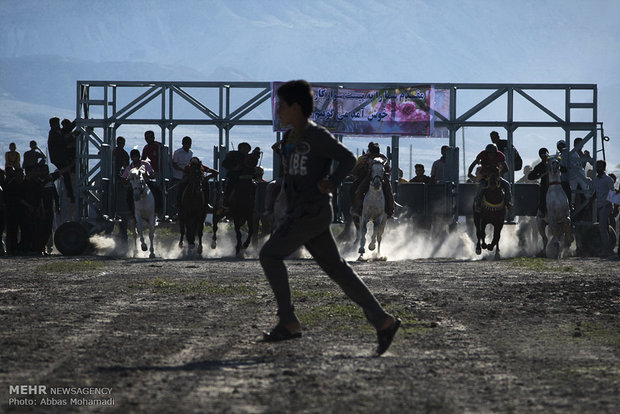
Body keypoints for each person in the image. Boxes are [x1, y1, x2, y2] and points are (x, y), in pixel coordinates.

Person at [259, 80, 400, 355]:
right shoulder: (290, 138)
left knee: (269, 255)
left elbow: (348, 159)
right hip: (300, 212)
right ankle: (383, 321)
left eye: (282, 105)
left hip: (312, 212)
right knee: (337, 269)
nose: (278, 109)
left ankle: (288, 320)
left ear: (296, 107)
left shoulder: (317, 136)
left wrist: (332, 182)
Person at [350, 142, 395, 218]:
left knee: (389, 191)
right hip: (367, 176)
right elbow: (358, 168)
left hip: (381, 177)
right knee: (357, 189)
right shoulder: (365, 158)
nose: (374, 156)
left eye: (376, 154)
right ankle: (357, 208)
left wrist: (385, 174)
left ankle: (390, 210)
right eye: (373, 154)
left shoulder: (383, 159)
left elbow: (388, 169)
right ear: (370, 152)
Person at [468, 143, 513, 213]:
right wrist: (469, 172)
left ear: (496, 153)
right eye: (489, 153)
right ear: (486, 153)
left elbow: (506, 168)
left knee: (507, 185)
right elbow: (473, 164)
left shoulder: (500, 155)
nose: (491, 155)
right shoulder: (482, 154)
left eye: (493, 154)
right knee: (481, 186)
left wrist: (499, 174)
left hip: (496, 177)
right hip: (485, 176)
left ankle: (508, 203)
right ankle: (477, 203)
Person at [122, 149, 163, 217]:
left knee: (157, 191)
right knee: (129, 194)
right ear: (131, 158)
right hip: (135, 185)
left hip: (146, 183)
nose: (135, 158)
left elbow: (152, 174)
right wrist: (128, 180)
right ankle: (131, 211)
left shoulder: (145, 164)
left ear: (139, 157)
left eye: (136, 156)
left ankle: (159, 210)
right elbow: (124, 178)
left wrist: (148, 176)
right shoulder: (129, 167)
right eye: (133, 157)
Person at [221, 142, 261, 209]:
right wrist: (234, 168)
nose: (246, 149)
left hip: (248, 177)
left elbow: (253, 165)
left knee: (255, 186)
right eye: (244, 148)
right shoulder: (232, 154)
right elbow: (224, 163)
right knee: (230, 185)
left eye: (247, 148)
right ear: (239, 148)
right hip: (235, 176)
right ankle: (226, 200)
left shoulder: (250, 156)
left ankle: (257, 202)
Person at [48, 117, 75, 203]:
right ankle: (70, 194)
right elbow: (62, 142)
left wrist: (75, 122)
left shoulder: (57, 132)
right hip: (59, 158)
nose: (58, 125)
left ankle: (70, 194)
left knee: (66, 174)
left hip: (61, 157)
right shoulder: (53, 134)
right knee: (66, 174)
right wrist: (73, 136)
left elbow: (67, 129)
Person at [592, 160, 614, 257]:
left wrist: (613, 207)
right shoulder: (596, 179)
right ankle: (609, 249)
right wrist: (590, 201)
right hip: (600, 206)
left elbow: (612, 193)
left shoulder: (608, 179)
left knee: (602, 227)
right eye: (597, 167)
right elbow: (596, 193)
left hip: (606, 206)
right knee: (604, 228)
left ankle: (606, 250)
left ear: (604, 168)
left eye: (600, 167)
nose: (598, 169)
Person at [171, 136, 194, 216]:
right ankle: (175, 210)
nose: (188, 145)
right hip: (178, 177)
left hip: (188, 177)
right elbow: (174, 165)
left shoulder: (191, 153)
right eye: (186, 144)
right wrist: (183, 170)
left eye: (189, 144)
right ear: (183, 144)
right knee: (178, 193)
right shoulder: (177, 152)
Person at [528, 148, 551, 218]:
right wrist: (540, 175)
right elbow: (530, 177)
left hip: (555, 183)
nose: (545, 157)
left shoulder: (552, 162)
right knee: (543, 195)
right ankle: (542, 211)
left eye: (546, 155)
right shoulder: (539, 166)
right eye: (543, 155)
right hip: (545, 185)